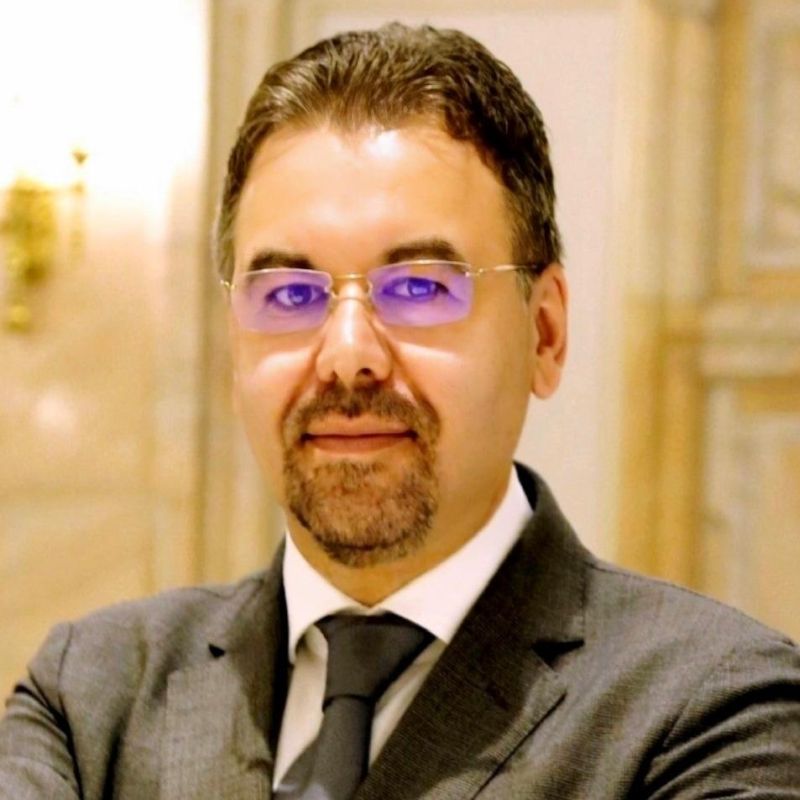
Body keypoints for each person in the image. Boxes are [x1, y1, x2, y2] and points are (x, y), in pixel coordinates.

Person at [1, 22, 799, 800]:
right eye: (289, 295)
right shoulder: (93, 696)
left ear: (545, 333)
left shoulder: (716, 710)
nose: (347, 354)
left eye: (419, 287)